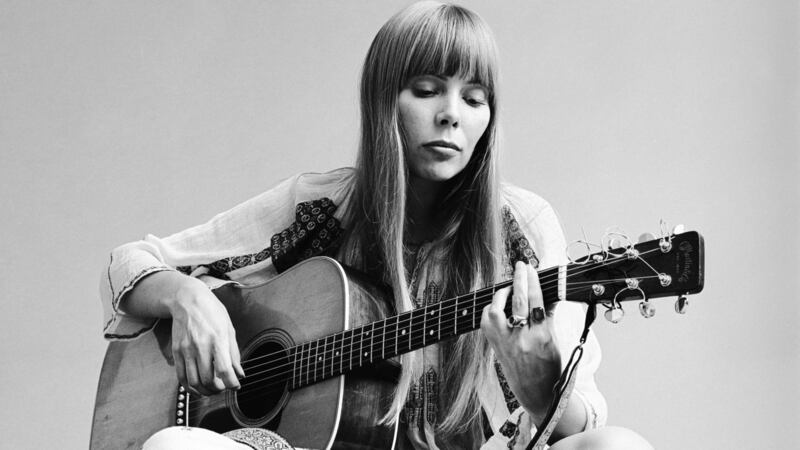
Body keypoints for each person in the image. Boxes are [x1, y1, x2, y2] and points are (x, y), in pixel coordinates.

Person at [100, 2, 654, 449]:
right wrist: (186, 297)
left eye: (474, 98)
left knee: (619, 445)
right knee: (174, 444)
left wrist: (543, 390)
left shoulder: (522, 228)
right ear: (384, 98)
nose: (452, 114)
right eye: (428, 90)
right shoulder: (323, 206)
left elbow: (582, 419)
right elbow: (128, 264)